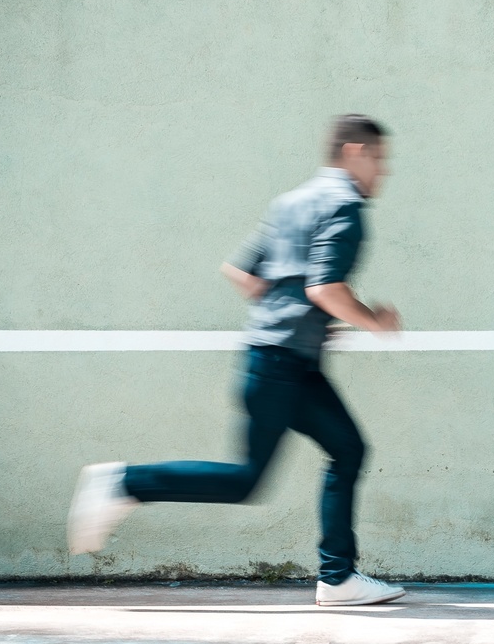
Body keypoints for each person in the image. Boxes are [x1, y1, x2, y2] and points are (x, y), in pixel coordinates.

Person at [67, 114, 406, 607]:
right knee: (245, 480)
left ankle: (338, 578)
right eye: (379, 159)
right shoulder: (345, 206)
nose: (384, 171)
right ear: (355, 152)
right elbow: (324, 287)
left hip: (281, 364)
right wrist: (372, 321)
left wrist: (296, 314)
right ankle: (123, 483)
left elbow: (243, 273)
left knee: (348, 449)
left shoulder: (291, 201)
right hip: (283, 369)